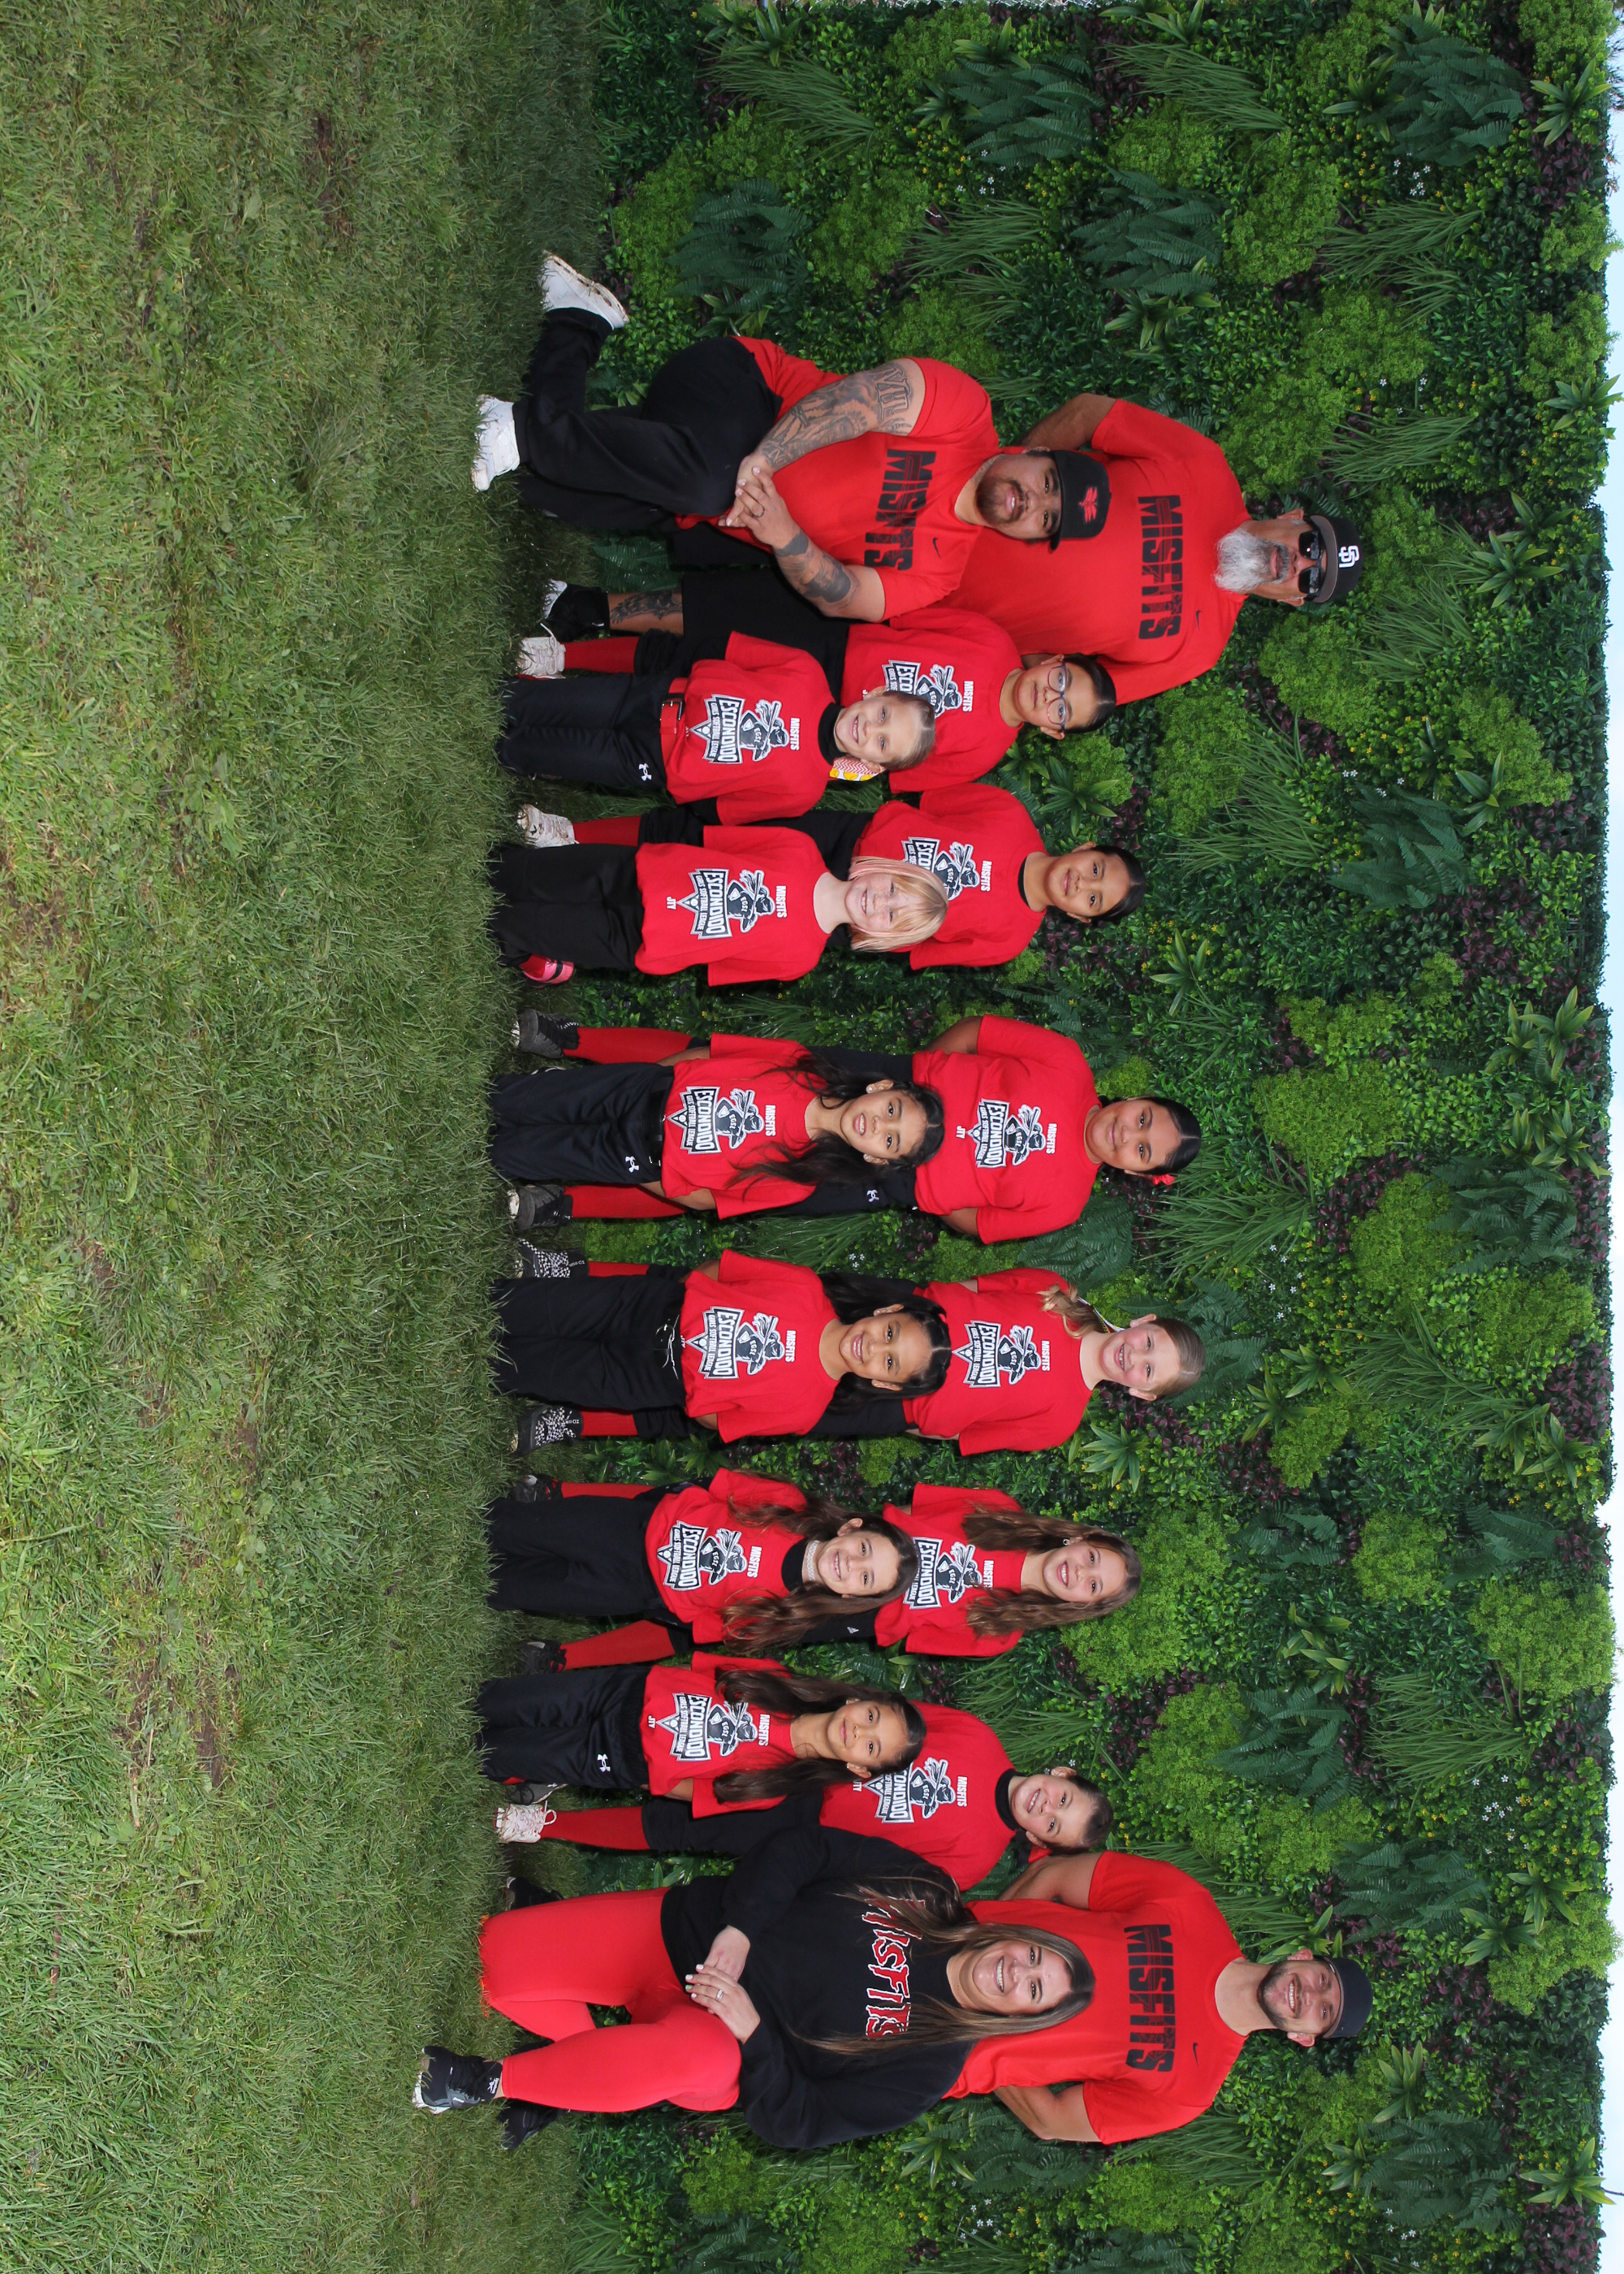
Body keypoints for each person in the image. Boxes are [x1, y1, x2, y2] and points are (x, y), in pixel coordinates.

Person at [413, 1819, 1094, 2149]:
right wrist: (740, 1929)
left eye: (1034, 1990)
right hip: (687, 1937)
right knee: (495, 1961)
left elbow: (804, 2121)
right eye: (1034, 1957)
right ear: (1021, 1936)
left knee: (694, 2056)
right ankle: (576, 2067)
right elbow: (806, 1849)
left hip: (714, 2046)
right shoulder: (927, 1892)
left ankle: (482, 2081)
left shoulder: (930, 2066)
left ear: (1019, 2016)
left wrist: (754, 2034)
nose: (1018, 1972)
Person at [471, 257, 1082, 620]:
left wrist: (784, 534)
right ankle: (518, 428)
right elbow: (861, 401)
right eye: (1049, 482)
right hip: (744, 388)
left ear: (1033, 538)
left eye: (1047, 519)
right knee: (707, 481)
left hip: (709, 505)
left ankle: (576, 320)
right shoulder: (967, 414)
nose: (1035, 502)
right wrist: (763, 461)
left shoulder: (943, 572)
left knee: (546, 487)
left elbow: (849, 598)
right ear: (1034, 453)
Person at [500, 1017, 1199, 1239]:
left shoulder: (1065, 1203)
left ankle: (569, 1193)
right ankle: (576, 1046)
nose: (1126, 1133)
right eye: (1142, 1119)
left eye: (1142, 1148)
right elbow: (977, 1034)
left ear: (1135, 1171)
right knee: (735, 1073)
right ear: (1136, 1100)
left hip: (885, 1175)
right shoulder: (1067, 1063)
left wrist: (923, 1183)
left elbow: (974, 1222)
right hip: (896, 1090)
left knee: (736, 1178)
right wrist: (916, 1081)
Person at [944, 389, 1366, 702]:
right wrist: (1015, 477)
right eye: (1311, 545)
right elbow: (1092, 414)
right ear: (1293, 517)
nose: (1299, 563)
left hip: (935, 617)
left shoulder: (1200, 653)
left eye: (1311, 580)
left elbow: (1073, 697)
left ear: (1294, 600)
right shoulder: (1205, 466)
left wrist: (990, 649)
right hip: (949, 502)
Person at [946, 1848, 1374, 2143]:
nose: (1310, 1994)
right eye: (1322, 1979)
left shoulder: (1188, 2094)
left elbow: (1052, 2120)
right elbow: (1053, 1876)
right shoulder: (1189, 1903)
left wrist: (979, 2051)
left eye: (1324, 2011)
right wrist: (984, 1943)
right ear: (1302, 1957)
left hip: (937, 2046)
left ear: (1303, 2037)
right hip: (940, 1943)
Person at [484, 1472, 1138, 1662]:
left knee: (703, 1613)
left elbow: (902, 1631)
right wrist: (863, 1546)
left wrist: (855, 1596)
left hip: (852, 1604)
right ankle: (557, 1503)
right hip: (857, 1545)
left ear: (1085, 1606)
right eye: (1091, 1559)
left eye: (1093, 1586)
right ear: (1080, 1538)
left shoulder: (1000, 1633)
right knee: (699, 1521)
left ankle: (565, 1645)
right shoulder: (1001, 1511)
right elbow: (910, 1509)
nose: (1079, 1574)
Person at [524, 576, 1117, 785]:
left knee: (687, 689)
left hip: (818, 725)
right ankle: (581, 627)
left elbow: (881, 768)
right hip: (829, 646)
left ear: (1054, 731)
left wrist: (823, 757)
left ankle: (563, 679)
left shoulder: (983, 753)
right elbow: (899, 618)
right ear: (1055, 660)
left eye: (1064, 710)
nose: (1052, 695)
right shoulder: (990, 639)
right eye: (1064, 679)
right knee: (704, 629)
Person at [503, 1694, 1113, 1895]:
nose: (1047, 1808)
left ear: (1037, 1839)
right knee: (687, 1760)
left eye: (1053, 1826)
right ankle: (580, 1764)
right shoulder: (979, 1738)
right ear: (1060, 1774)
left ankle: (546, 1825)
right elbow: (893, 1718)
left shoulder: (975, 1861)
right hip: (814, 1760)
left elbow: (880, 1875)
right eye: (1062, 1800)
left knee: (683, 1823)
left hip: (804, 1827)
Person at [529, 780, 1143, 970]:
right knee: (701, 837)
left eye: (1094, 898)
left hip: (836, 913)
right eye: (1096, 869)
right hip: (844, 845)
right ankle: (576, 838)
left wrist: (867, 919)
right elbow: (924, 801)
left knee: (714, 910)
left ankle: (579, 930)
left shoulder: (1007, 940)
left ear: (1080, 917)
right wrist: (875, 852)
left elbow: (918, 944)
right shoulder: (1009, 814)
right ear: (1086, 847)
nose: (1082, 884)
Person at [492, 1251, 950, 1447]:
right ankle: (489, 1307)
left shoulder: (807, 1410)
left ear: (884, 1384)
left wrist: (692, 1385)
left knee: (546, 1371)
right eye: (890, 1332)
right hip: (647, 1307)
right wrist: (688, 1297)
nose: (874, 1347)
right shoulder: (806, 1287)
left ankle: (494, 1366)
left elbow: (721, 1421)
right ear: (886, 1310)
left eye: (889, 1362)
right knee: (541, 1307)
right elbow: (725, 1270)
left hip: (652, 1380)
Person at [488, 1036, 946, 1232]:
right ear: (881, 1087)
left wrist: (648, 1171)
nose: (878, 1125)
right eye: (891, 1110)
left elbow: (707, 1199)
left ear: (877, 1160)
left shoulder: (800, 1180)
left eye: (889, 1140)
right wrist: (655, 1078)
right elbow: (714, 1053)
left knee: (513, 1154)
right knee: (512, 1099)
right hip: (639, 1091)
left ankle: (501, 1150)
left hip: (639, 1157)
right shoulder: (802, 1064)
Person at [497, 632, 938, 819]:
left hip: (650, 763)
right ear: (876, 693)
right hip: (655, 698)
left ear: (871, 764)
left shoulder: (805, 792)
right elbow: (727, 650)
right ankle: (511, 701)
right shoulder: (806, 670)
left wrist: (684, 776)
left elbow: (723, 810)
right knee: (532, 702)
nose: (870, 730)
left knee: (529, 752)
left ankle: (519, 751)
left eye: (882, 743)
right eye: (883, 715)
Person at [486, 824, 947, 987]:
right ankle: (504, 875)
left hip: (640, 942)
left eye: (891, 915)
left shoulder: (801, 958)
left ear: (882, 936)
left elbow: (720, 963)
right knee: (523, 872)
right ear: (881, 868)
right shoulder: (800, 847)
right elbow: (716, 844)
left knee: (519, 925)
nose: (879, 901)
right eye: (892, 888)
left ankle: (514, 938)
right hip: (637, 870)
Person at [477, 1650, 925, 1816]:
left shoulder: (775, 1786)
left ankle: (499, 1757)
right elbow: (704, 1670)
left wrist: (644, 1774)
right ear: (856, 1699)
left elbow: (695, 1792)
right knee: (501, 1701)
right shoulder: (780, 1680)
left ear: (859, 1769)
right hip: (625, 1692)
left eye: (871, 1746)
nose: (858, 1730)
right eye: (871, 1716)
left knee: (497, 1752)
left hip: (624, 1757)